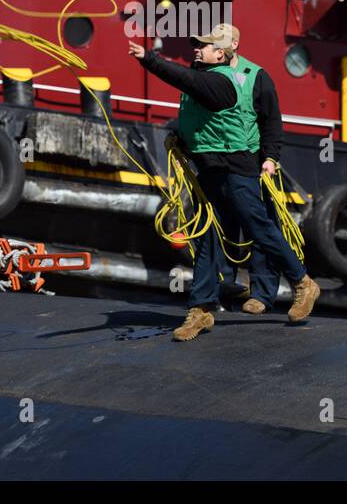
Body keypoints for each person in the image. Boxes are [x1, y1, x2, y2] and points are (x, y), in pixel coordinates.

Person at [128, 23, 320, 341]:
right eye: (198, 45)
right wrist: (180, 139)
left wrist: (149, 59)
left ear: (222, 52)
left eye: (204, 46)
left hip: (236, 166)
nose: (197, 49)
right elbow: (199, 121)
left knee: (260, 228)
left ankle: (302, 282)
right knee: (205, 236)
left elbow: (269, 120)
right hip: (209, 169)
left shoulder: (223, 82)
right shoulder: (204, 78)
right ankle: (201, 309)